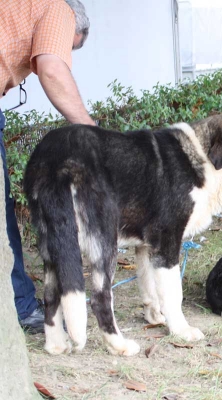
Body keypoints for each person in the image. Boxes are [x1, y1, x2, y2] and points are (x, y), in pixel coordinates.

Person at [0, 0, 95, 334]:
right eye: (69, 46)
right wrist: (90, 132)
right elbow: (53, 69)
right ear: (74, 25)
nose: (64, 53)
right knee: (0, 213)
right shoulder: (58, 8)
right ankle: (21, 306)